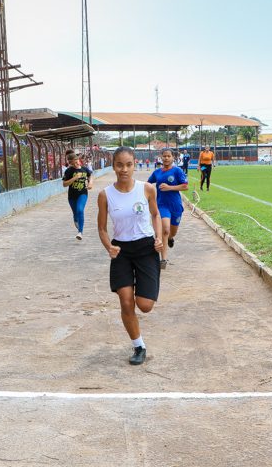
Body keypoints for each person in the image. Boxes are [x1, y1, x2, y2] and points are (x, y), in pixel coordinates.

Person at [97, 146, 163, 366]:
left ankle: (146, 289)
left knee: (144, 305)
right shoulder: (105, 195)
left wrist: (159, 237)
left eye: (128, 164)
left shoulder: (147, 189)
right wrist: (109, 247)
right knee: (126, 303)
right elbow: (102, 229)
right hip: (121, 251)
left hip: (146, 249)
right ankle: (139, 346)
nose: (124, 169)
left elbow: (155, 214)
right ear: (113, 166)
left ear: (135, 165)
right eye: (119, 165)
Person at [147, 149, 188, 269]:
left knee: (172, 232)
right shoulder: (157, 173)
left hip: (175, 205)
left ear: (173, 158)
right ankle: (163, 259)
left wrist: (170, 187)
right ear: (161, 157)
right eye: (164, 156)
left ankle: (170, 238)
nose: (166, 158)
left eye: (168, 156)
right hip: (161, 205)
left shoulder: (177, 171)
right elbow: (148, 184)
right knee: (165, 229)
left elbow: (185, 186)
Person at [61, 149, 93, 240]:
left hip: (82, 193)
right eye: (74, 163)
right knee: (75, 213)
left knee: (80, 210)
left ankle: (80, 232)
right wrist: (74, 178)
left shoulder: (84, 169)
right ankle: (76, 220)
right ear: (70, 163)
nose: (76, 164)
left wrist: (90, 183)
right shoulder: (69, 171)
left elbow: (90, 175)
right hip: (72, 196)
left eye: (77, 162)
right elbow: (64, 184)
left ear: (78, 160)